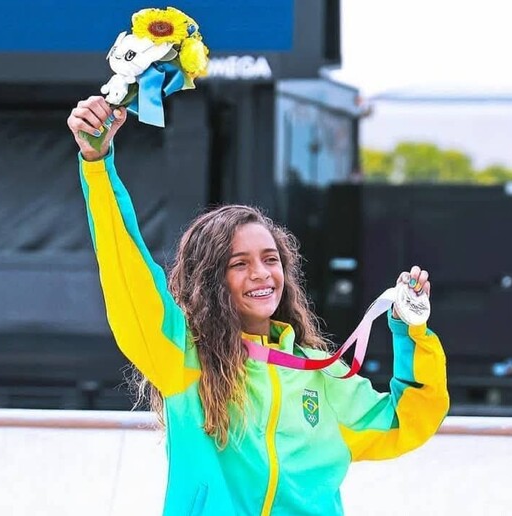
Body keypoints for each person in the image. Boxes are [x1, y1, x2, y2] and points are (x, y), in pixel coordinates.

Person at [67, 96, 450, 516]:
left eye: (270, 260)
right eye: (239, 264)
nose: (261, 274)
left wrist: (410, 331)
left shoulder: (322, 375)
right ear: (210, 281)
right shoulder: (183, 360)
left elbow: (407, 419)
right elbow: (127, 272)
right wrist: (97, 166)